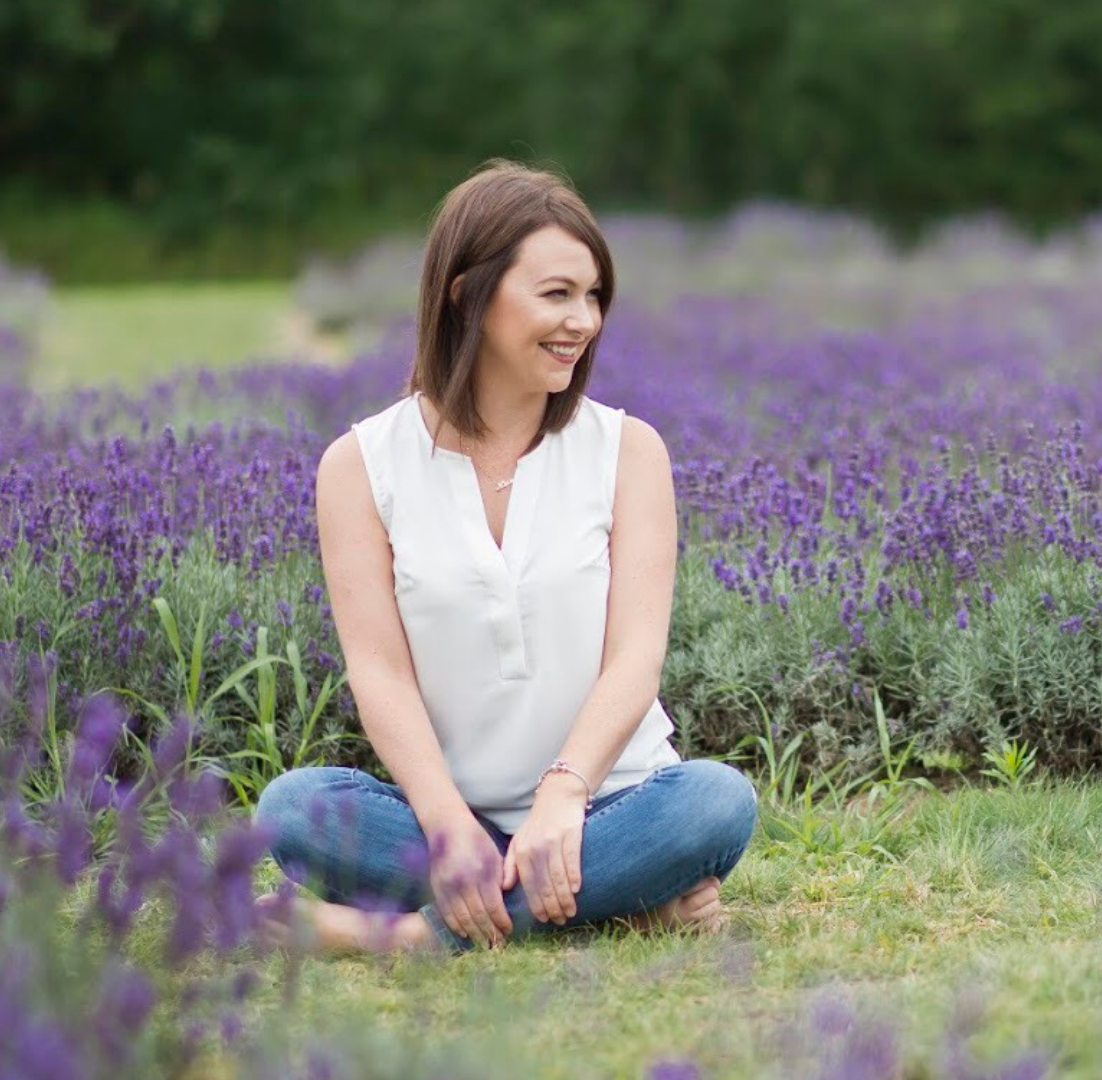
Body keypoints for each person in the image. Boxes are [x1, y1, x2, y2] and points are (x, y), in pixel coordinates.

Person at [254, 160, 758, 954]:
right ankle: (622, 901)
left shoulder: (628, 451)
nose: (583, 321)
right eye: (557, 294)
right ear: (468, 296)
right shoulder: (360, 467)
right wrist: (444, 822)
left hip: (611, 808)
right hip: (453, 819)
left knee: (717, 803)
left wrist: (564, 794)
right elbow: (379, 672)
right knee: (293, 810)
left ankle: (405, 937)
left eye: (594, 296)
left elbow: (636, 659)